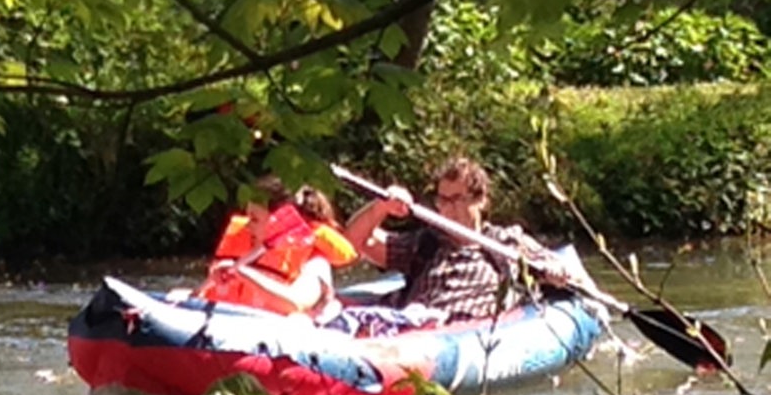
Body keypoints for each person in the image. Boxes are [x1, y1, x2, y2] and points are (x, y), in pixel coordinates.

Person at [341, 156, 568, 324]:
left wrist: (555, 271)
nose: (447, 209)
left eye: (456, 199)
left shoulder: (507, 241)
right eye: (442, 200)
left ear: (480, 200)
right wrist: (382, 206)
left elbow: (558, 268)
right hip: (412, 329)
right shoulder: (425, 244)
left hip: (462, 333)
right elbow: (354, 241)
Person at [197, 177, 358, 319]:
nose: (247, 225)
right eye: (247, 216)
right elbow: (202, 296)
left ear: (280, 224)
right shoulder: (242, 246)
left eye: (254, 219)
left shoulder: (314, 259)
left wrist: (243, 273)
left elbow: (296, 303)